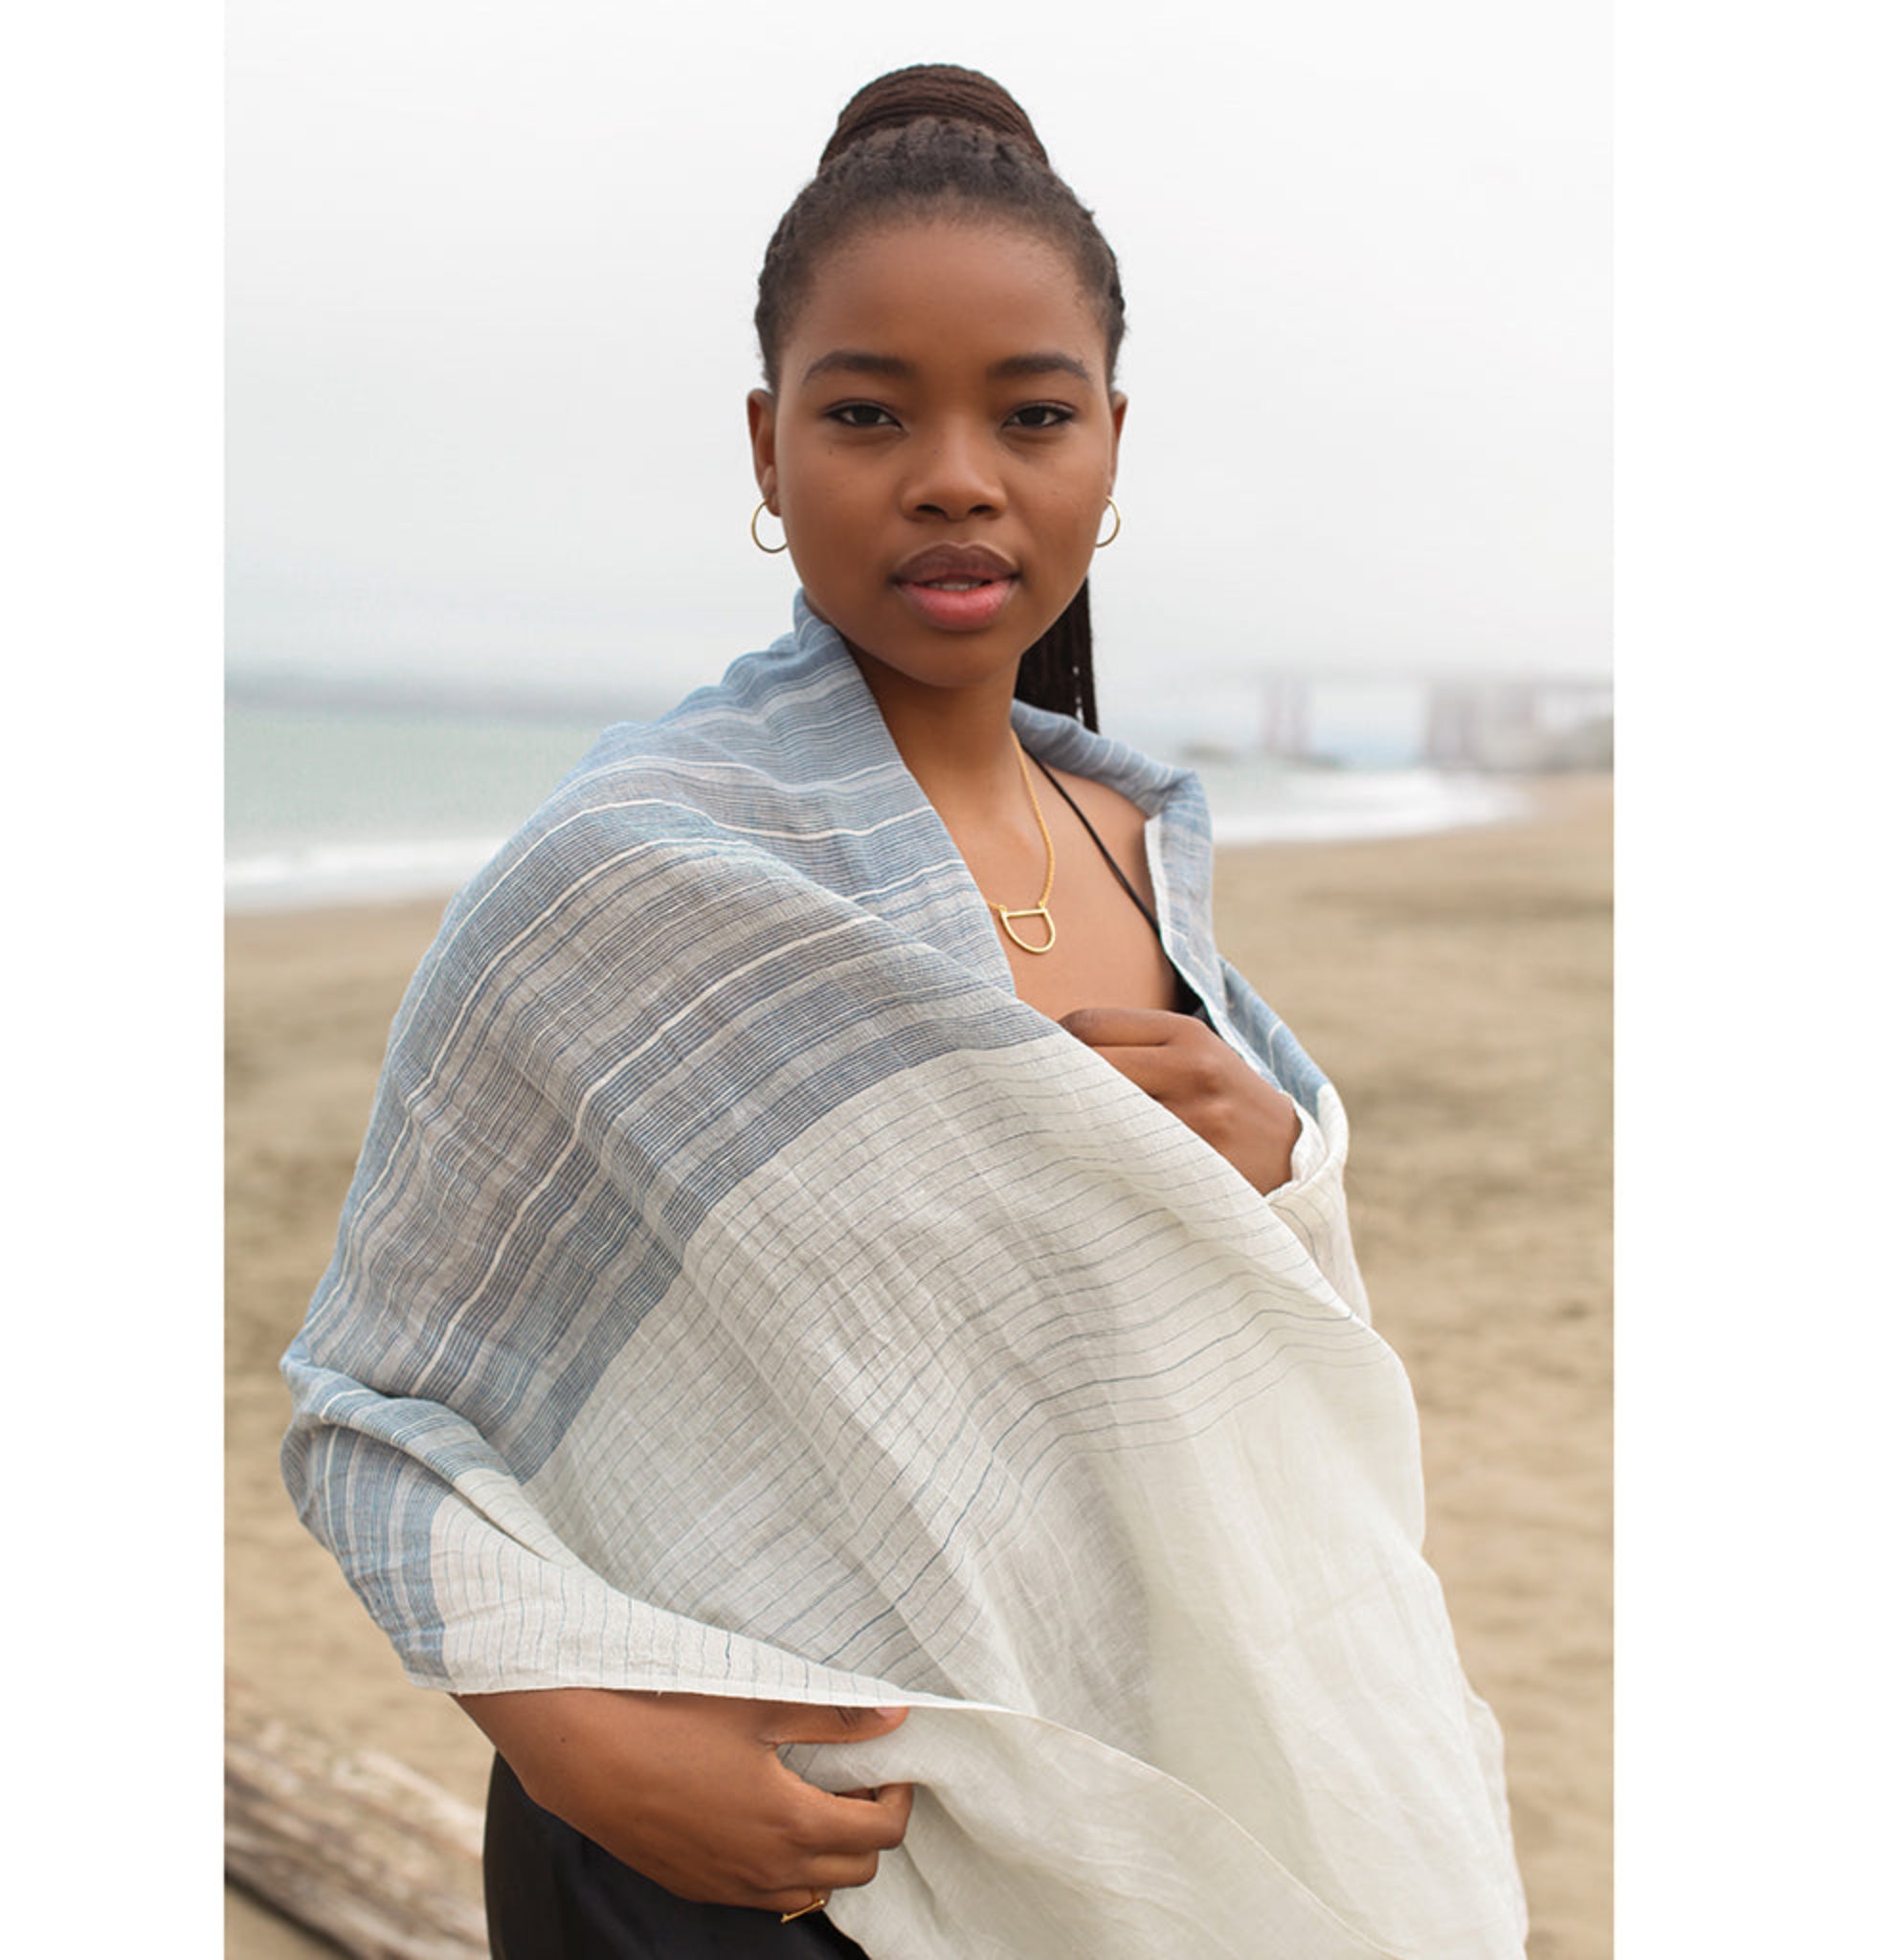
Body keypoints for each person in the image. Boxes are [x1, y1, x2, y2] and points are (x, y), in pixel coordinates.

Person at [282, 63, 1528, 1960]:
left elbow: (1249, 1374)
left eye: (1031, 413)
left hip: (1104, 1817)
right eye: (868, 413)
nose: (954, 474)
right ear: (767, 446)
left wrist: (1287, 1171)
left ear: (1111, 443)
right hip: (729, 1863)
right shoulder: (634, 868)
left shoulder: (1133, 838)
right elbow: (371, 1403)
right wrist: (577, 1745)